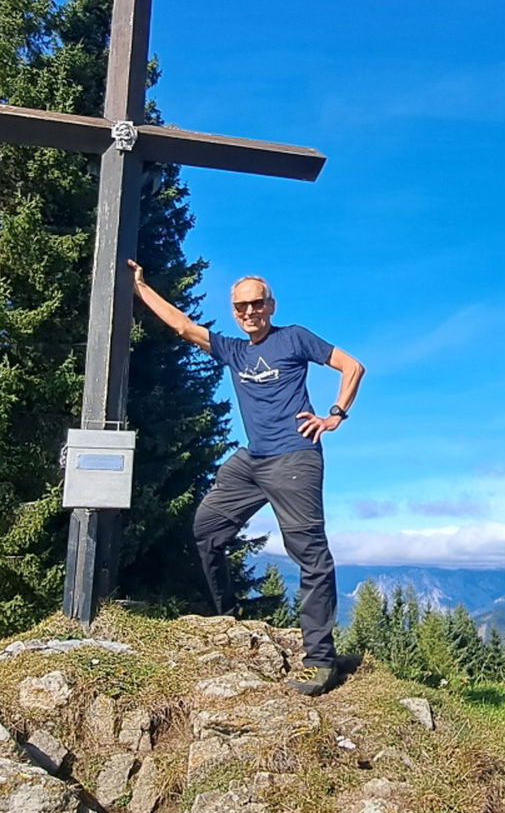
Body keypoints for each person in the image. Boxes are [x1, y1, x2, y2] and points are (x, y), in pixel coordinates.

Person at [127, 261, 365, 696]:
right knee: (206, 529)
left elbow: (352, 367)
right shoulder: (234, 351)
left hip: (295, 459)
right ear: (235, 311)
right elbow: (183, 326)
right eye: (241, 306)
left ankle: (320, 660)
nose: (250, 311)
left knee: (310, 556)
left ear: (270, 305)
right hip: (251, 462)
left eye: (257, 303)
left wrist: (334, 416)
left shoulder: (294, 338)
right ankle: (227, 618)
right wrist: (141, 287)